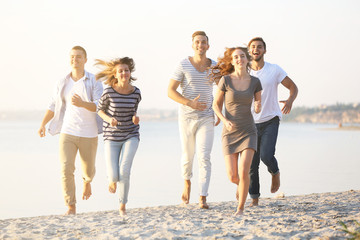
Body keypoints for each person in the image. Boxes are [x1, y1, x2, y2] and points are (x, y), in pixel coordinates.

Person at [38, 46, 103, 215]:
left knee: (88, 171)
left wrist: (82, 104)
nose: (75, 60)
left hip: (89, 133)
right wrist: (43, 124)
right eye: (72, 57)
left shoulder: (94, 80)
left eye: (79, 57)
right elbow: (53, 105)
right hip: (68, 131)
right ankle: (71, 206)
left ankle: (87, 181)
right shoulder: (62, 83)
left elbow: (99, 105)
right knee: (66, 168)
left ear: (85, 60)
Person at [168, 31, 218, 209]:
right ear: (192, 45)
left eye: (203, 42)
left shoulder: (214, 66)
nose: (200, 45)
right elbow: (171, 91)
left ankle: (203, 197)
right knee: (188, 156)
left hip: (206, 117)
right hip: (186, 118)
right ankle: (187, 182)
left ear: (208, 46)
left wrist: (220, 112)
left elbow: (223, 89)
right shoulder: (183, 64)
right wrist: (189, 102)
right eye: (197, 42)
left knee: (204, 156)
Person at [247, 37, 298, 206]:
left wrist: (290, 100)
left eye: (259, 47)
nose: (256, 49)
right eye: (253, 47)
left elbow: (293, 87)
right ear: (249, 50)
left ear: (264, 51)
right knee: (252, 164)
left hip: (271, 119)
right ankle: (254, 199)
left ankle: (275, 172)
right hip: (250, 123)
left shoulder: (274, 70)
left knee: (266, 155)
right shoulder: (244, 72)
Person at [212, 47, 262, 215]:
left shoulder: (255, 82)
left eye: (242, 56)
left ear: (247, 60)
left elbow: (258, 103)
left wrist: (257, 105)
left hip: (249, 131)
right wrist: (224, 120)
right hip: (230, 132)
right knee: (233, 176)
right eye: (236, 57)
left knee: (244, 170)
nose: (239, 59)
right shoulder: (225, 80)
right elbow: (216, 105)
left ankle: (240, 208)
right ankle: (241, 186)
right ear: (232, 61)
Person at [95, 57, 141, 217]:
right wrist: (110, 120)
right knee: (114, 175)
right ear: (115, 74)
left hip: (131, 134)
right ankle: (112, 180)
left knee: (125, 170)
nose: (124, 73)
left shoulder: (136, 92)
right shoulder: (108, 91)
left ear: (130, 72)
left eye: (126, 70)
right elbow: (99, 110)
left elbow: (134, 111)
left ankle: (122, 205)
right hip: (111, 137)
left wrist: (135, 118)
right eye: (120, 71)